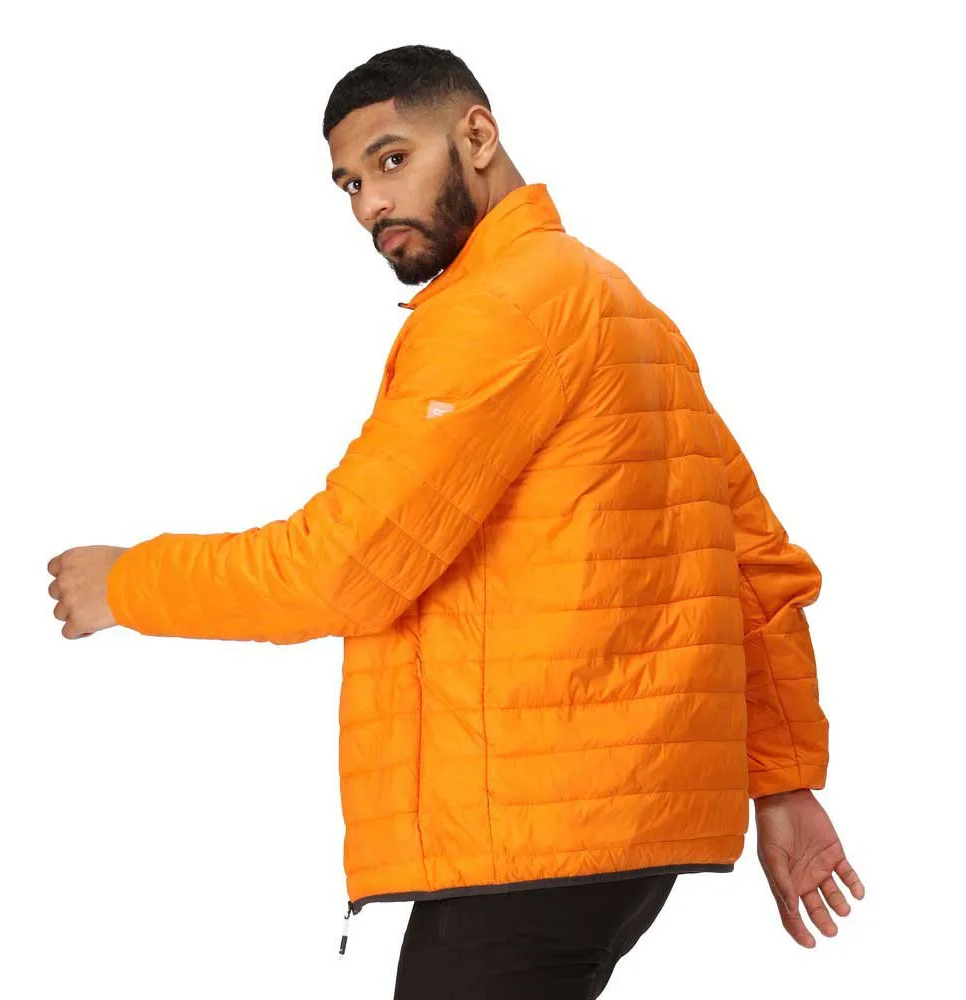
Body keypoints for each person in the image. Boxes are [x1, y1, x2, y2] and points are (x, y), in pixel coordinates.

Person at [47, 44, 865, 999]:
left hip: (538, 827)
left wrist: (126, 583)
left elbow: (344, 565)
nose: (370, 204)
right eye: (350, 183)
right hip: (598, 835)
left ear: (477, 135)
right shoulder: (617, 302)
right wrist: (783, 781)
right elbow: (753, 561)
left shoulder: (502, 309)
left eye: (392, 160)